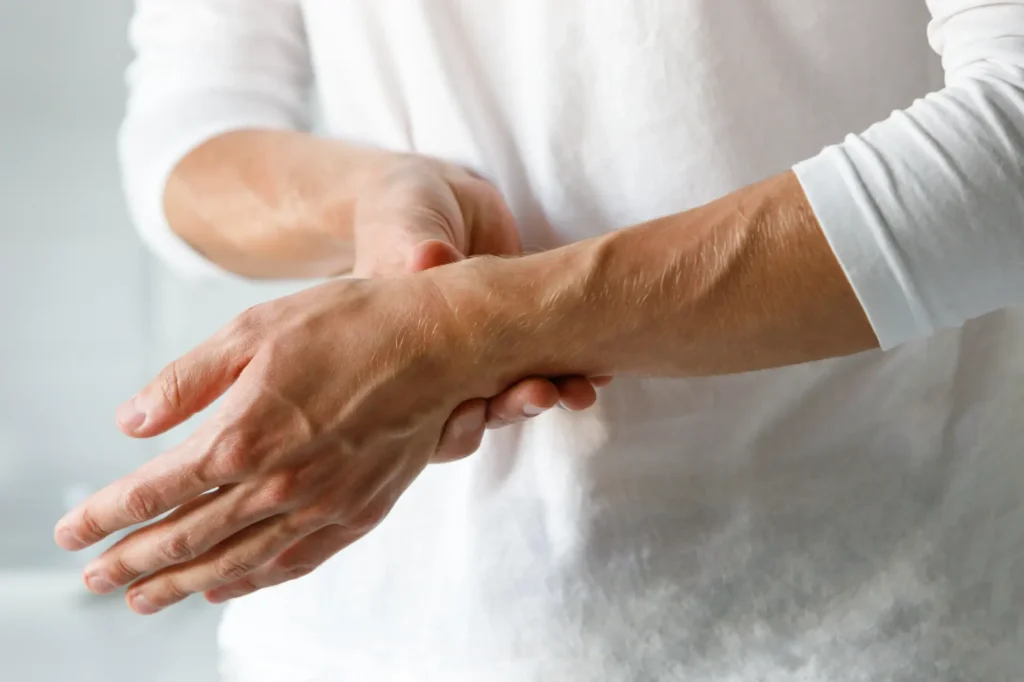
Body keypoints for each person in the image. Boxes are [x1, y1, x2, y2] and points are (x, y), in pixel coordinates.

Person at [55, 1, 1024, 680]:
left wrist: (473, 327)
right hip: (360, 638)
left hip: (863, 622)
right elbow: (186, 122)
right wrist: (382, 199)